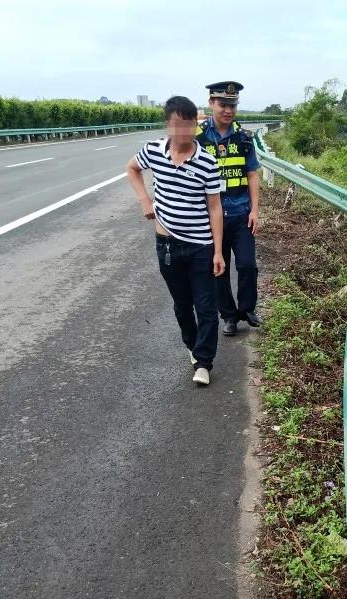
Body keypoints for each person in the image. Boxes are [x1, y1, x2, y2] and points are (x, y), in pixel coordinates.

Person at [126, 96, 225, 386]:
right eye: (176, 125)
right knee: (182, 305)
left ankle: (204, 362)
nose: (182, 131)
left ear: (197, 124)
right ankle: (193, 347)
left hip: (201, 246)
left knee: (206, 306)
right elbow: (131, 168)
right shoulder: (154, 151)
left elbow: (215, 207)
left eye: (188, 124)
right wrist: (145, 199)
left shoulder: (207, 162)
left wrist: (218, 251)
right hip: (167, 245)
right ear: (168, 126)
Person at [196, 81, 262, 337]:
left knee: (247, 265)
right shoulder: (198, 138)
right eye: (223, 104)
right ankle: (229, 316)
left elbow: (252, 174)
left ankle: (247, 309)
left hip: (241, 214)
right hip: (212, 218)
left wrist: (255, 210)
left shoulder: (244, 138)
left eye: (232, 105)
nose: (228, 110)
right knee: (219, 268)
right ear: (211, 103)